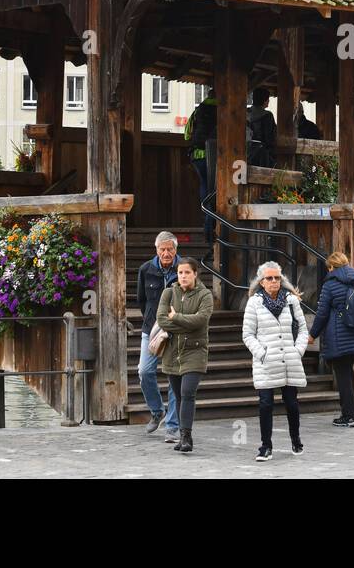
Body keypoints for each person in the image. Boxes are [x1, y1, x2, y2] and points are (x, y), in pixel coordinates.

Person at [242, 261, 309, 461]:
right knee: (265, 404)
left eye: (277, 277)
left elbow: (303, 329)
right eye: (269, 278)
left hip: (289, 359)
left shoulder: (291, 301)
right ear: (261, 282)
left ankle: (296, 440)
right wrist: (261, 353)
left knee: (292, 403)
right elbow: (247, 334)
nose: (273, 281)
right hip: (266, 361)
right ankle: (265, 446)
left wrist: (297, 351)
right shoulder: (254, 302)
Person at [306, 251, 354, 427]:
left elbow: (322, 314)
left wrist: (312, 334)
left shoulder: (330, 284)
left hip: (340, 336)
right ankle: (350, 413)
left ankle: (348, 416)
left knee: (343, 375)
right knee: (347, 373)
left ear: (331, 266)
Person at [156, 258, 212, 452]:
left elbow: (200, 320)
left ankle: (187, 436)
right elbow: (162, 320)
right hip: (172, 351)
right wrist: (184, 324)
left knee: (188, 393)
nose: (183, 276)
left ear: (195, 274)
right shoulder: (168, 293)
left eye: (187, 272)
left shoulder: (205, 295)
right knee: (179, 395)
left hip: (195, 351)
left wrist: (176, 317)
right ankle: (181, 436)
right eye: (180, 273)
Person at [136, 232, 180, 437]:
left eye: (169, 249)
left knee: (174, 376)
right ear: (156, 250)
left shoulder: (184, 269)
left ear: (175, 249)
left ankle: (172, 424)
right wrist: (153, 321)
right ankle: (156, 411)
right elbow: (141, 300)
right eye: (162, 249)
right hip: (151, 329)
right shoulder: (146, 269)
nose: (166, 253)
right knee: (145, 372)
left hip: (177, 329)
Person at [185, 90, 218, 243]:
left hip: (198, 156)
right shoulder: (226, 108)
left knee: (205, 187)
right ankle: (214, 229)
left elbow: (187, 134)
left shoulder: (198, 110)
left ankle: (207, 222)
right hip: (217, 157)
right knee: (217, 192)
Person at [247, 87, 277, 167]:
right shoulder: (268, 116)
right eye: (268, 99)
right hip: (261, 155)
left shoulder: (245, 112)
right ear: (265, 100)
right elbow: (270, 138)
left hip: (245, 151)